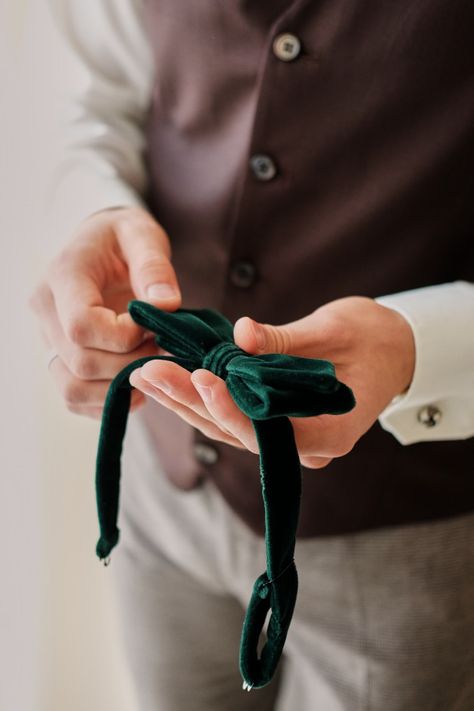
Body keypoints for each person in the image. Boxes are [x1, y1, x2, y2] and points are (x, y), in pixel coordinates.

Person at [30, 1, 474, 710]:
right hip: (162, 490)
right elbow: (93, 85)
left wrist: (423, 342)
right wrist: (93, 208)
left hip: (401, 533)